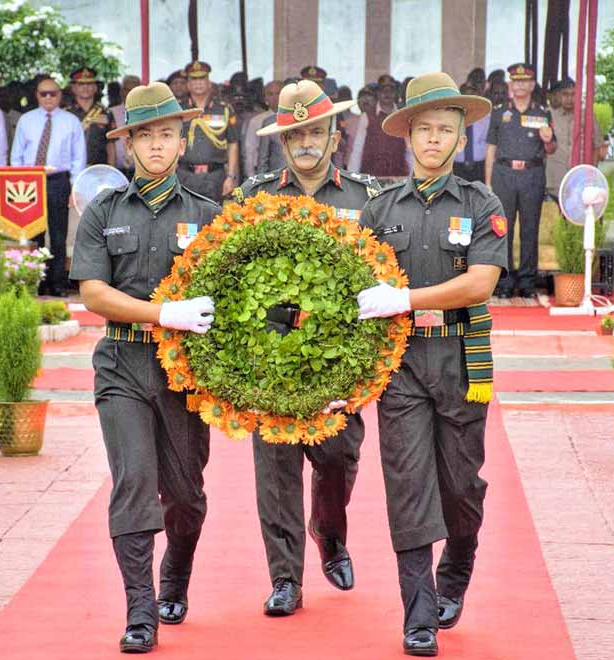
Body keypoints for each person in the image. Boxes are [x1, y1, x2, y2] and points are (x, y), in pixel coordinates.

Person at [355, 71, 507, 657]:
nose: (435, 140)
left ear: (461, 137)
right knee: (408, 485)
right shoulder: (379, 210)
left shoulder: (480, 203)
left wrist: (409, 298)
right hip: (401, 362)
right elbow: (353, 290)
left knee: (460, 488)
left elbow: (480, 283)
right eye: (425, 130)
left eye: (447, 130)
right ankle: (417, 614)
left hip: (460, 358)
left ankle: (459, 562)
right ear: (408, 136)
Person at [71, 81, 220, 654]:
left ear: (181, 142)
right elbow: (94, 294)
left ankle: (174, 578)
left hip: (185, 371)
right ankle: (140, 611)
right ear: (128, 144)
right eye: (144, 136)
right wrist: (163, 312)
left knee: (185, 494)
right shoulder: (104, 212)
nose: (155, 145)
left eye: (165, 134)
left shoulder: (210, 216)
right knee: (133, 482)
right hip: (123, 362)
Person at [233, 79, 379, 618]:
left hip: (341, 358)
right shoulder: (256, 198)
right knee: (274, 468)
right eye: (295, 135)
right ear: (282, 141)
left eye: (316, 131)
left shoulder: (366, 198)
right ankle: (285, 578)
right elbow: (234, 277)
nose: (306, 143)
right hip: (271, 351)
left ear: (336, 136)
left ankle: (330, 531)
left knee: (338, 458)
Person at [484, 63, 555, 298]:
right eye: (516, 81)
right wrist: (488, 183)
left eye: (525, 81)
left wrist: (547, 140)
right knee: (502, 230)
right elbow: (491, 149)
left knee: (529, 229)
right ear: (510, 85)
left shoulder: (541, 113)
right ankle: (504, 282)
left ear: (532, 85)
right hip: (503, 174)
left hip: (532, 175)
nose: (521, 85)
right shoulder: (499, 111)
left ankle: (526, 282)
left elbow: (551, 148)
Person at [10, 75, 86, 297]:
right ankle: (37, 281)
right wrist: (18, 184)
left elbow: (78, 158)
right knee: (35, 234)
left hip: (58, 180)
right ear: (37, 96)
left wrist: (75, 187)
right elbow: (17, 155)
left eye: (53, 93)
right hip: (29, 181)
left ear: (60, 95)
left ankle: (58, 284)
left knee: (59, 235)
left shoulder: (71, 121)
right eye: (44, 94)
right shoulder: (26, 120)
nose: (48, 98)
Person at [178, 61, 240, 203]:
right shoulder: (179, 110)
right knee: (186, 222)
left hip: (215, 176)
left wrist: (231, 177)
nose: (198, 83)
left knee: (213, 220)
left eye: (202, 79)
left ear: (209, 82)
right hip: (185, 175)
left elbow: (233, 144)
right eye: (194, 79)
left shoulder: (224, 110)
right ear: (188, 84)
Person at [545, 76, 603, 198]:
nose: (569, 98)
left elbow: (597, 146)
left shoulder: (587, 116)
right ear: (558, 96)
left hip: (580, 178)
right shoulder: (549, 115)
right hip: (554, 179)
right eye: (565, 94)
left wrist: (591, 172)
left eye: (573, 94)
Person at [348, 79, 409, 178]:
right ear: (377, 93)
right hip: (371, 179)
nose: (387, 93)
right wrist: (352, 178)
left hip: (398, 179)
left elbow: (409, 151)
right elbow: (357, 149)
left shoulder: (402, 116)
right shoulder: (366, 116)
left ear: (396, 93)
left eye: (391, 90)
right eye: (383, 90)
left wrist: (413, 178)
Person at [68, 67, 117, 167]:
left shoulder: (106, 113)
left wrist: (112, 169)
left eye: (89, 84)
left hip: (99, 169)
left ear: (95, 87)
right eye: (81, 84)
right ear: (73, 88)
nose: (85, 88)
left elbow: (111, 144)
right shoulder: (66, 113)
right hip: (72, 168)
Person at [452, 83, 490, 183]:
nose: (470, 102)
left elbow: (490, 144)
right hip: (457, 167)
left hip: (480, 166)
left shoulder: (486, 118)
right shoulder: (451, 118)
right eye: (466, 97)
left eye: (473, 97)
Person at [242, 79, 281, 175]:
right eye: (270, 94)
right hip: (264, 172)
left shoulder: (296, 118)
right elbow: (250, 151)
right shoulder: (256, 121)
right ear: (265, 98)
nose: (275, 97)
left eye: (278, 93)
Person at [111, 75, 141, 177]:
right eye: (127, 90)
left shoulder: (149, 114)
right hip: (117, 172)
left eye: (134, 90)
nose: (130, 93)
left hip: (142, 173)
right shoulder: (111, 113)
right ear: (121, 92)